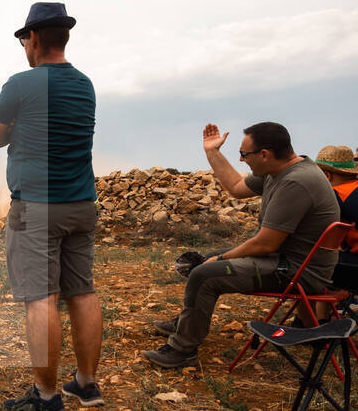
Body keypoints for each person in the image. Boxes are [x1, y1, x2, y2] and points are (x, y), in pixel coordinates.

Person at [0, 2, 103, 411]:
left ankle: (47, 396)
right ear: (63, 37)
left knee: (41, 298)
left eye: (23, 39)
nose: (23, 46)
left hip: (36, 208)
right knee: (82, 292)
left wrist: (18, 126)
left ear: (32, 38)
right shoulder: (85, 84)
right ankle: (86, 385)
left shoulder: (21, 84)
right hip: (82, 204)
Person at [145, 122, 340, 368]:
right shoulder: (279, 171)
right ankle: (185, 324)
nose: (241, 159)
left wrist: (222, 259)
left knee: (205, 273)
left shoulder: (296, 182)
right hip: (287, 262)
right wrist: (212, 152)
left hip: (298, 272)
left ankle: (182, 350)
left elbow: (265, 244)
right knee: (207, 259)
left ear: (265, 154)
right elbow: (237, 187)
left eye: (244, 154)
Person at [315, 145, 358, 289]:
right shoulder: (353, 189)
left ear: (327, 176)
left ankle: (313, 312)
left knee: (311, 262)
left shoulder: (336, 195)